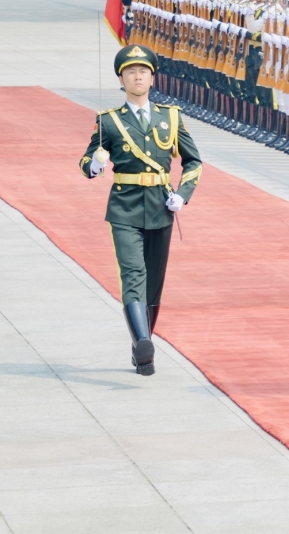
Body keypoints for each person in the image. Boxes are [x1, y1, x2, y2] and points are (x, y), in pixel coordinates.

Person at [79, 43, 202, 376]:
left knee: (154, 284)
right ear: (122, 79)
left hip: (161, 207)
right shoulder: (109, 121)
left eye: (143, 72)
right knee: (133, 274)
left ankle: (139, 346)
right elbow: (86, 160)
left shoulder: (171, 118)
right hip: (124, 208)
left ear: (152, 78)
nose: (138, 76)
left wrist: (183, 193)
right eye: (131, 72)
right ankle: (144, 343)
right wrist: (95, 165)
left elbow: (193, 161)